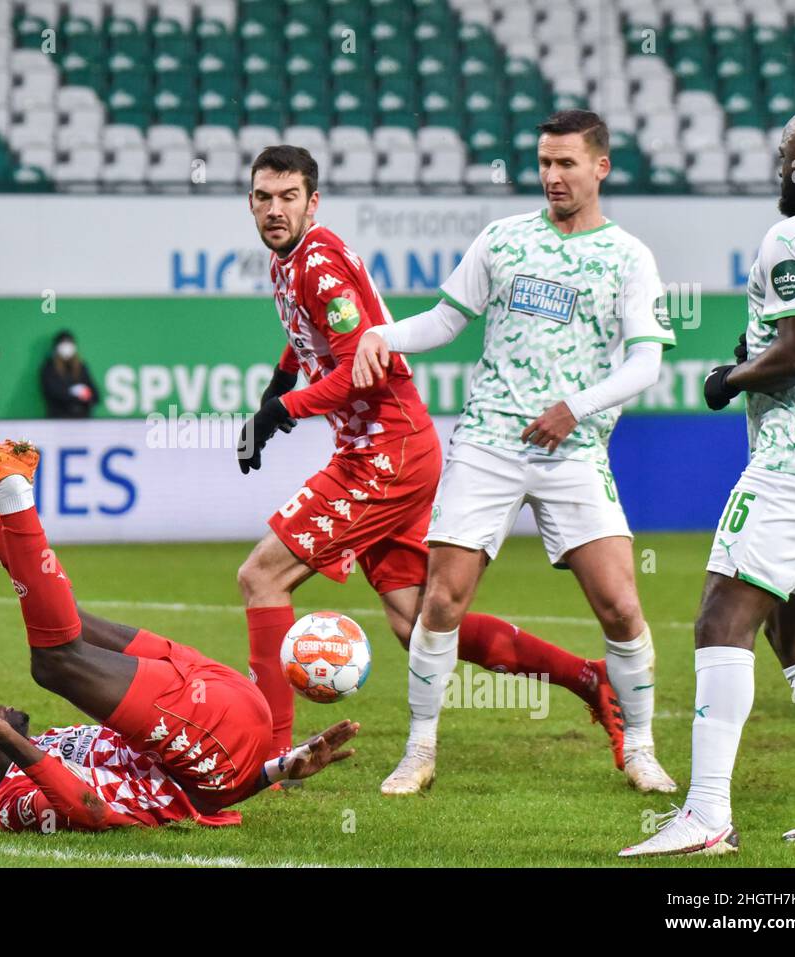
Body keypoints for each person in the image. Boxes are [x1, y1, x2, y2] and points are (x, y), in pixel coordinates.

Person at [238, 144, 627, 793]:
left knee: (261, 576)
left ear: (313, 201)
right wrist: (279, 380)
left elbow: (356, 368)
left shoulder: (320, 265)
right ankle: (587, 676)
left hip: (383, 454)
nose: (274, 210)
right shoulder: (293, 262)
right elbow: (312, 336)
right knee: (418, 618)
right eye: (262, 197)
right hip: (393, 448)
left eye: (287, 197)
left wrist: (279, 410)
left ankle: (275, 762)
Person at [353, 110, 678, 795]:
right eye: (544, 163)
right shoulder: (503, 239)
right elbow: (446, 320)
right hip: (490, 440)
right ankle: (418, 751)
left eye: (567, 164)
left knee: (620, 605)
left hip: (574, 446)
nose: (553, 176)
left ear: (601, 168)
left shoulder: (629, 256)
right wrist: (384, 333)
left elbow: (647, 362)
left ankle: (642, 748)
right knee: (442, 598)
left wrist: (574, 409)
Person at [0, 420, 358, 830]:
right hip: (216, 744)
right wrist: (277, 771)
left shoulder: (47, 745)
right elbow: (91, 812)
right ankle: (7, 488)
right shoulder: (12, 799)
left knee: (60, 623)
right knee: (53, 661)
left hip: (210, 709)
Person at [621, 101, 795, 856]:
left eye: (786, 149)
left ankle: (708, 813)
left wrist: (729, 377)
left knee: (724, 611)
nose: (779, 162)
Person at [40, 330, 99, 418]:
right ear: (56, 347)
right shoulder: (49, 368)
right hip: (59, 418)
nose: (67, 346)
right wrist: (74, 393)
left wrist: (85, 395)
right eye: (63, 343)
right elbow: (52, 392)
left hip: (82, 419)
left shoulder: (81, 367)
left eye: (69, 343)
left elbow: (95, 396)